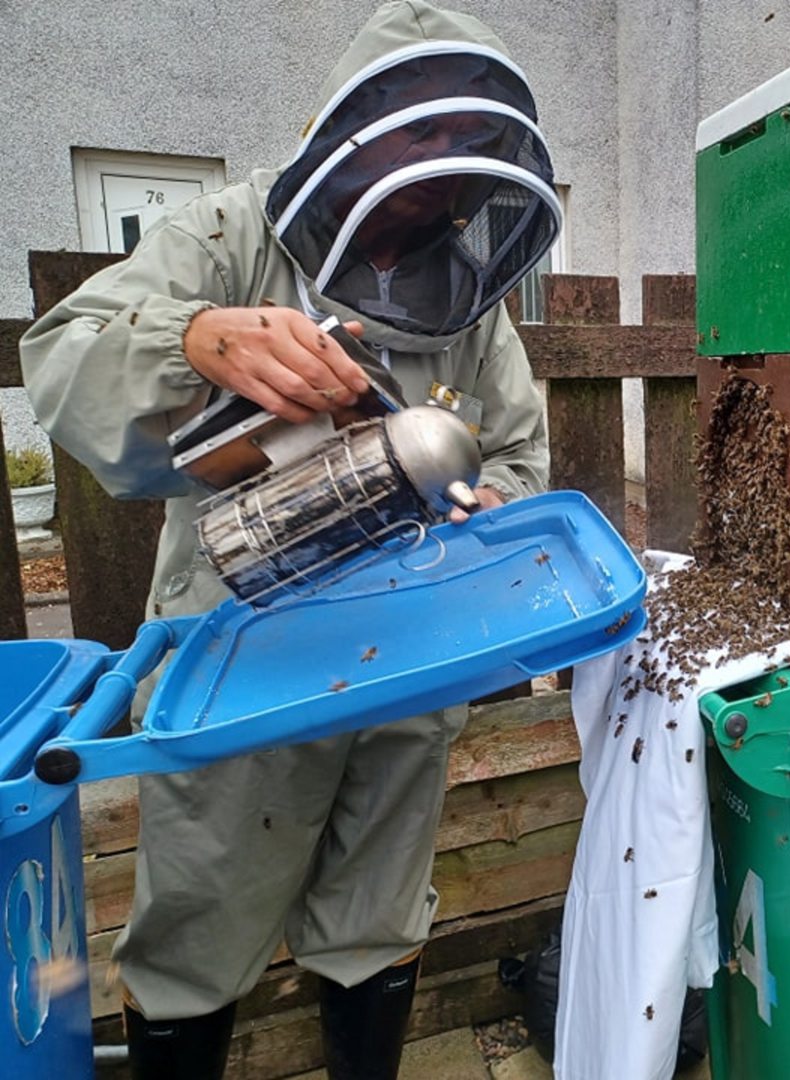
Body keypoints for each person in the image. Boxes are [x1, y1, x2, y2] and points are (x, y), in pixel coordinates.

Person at [20, 4, 559, 1077]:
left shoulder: (470, 299)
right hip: (243, 659)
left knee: (379, 908)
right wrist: (196, 337)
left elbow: (519, 457)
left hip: (412, 656)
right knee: (199, 926)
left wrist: (492, 514)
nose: (440, 171)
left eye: (463, 148)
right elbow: (62, 361)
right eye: (417, 135)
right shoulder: (226, 236)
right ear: (350, 130)